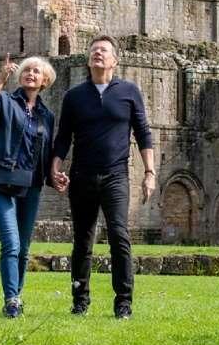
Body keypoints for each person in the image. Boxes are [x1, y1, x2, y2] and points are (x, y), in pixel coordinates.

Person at [50, 34, 155, 319]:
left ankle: (123, 303)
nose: (97, 53)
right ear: (88, 59)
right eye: (94, 49)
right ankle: (80, 300)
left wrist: (149, 172)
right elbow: (63, 138)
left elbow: (143, 133)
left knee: (120, 236)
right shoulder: (74, 96)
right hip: (82, 176)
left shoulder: (129, 92)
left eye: (103, 50)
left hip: (115, 176)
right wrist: (54, 166)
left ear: (114, 60)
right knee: (83, 241)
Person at [0, 53, 57, 318]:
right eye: (26, 70)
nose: (30, 74)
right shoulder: (7, 101)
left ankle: (17, 297)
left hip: (30, 185)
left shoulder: (47, 115)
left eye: (36, 71)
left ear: (45, 80)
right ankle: (11, 299)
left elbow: (46, 151)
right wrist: (0, 81)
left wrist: (54, 176)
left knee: (24, 247)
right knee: (11, 243)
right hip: (0, 180)